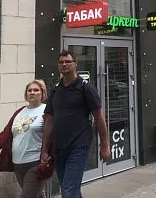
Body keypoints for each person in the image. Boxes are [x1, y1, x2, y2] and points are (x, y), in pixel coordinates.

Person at [41, 50, 111, 198]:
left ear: (75, 64)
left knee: (68, 191)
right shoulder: (55, 90)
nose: (64, 64)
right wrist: (45, 150)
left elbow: (99, 117)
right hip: (59, 147)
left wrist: (104, 145)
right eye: (61, 62)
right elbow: (49, 121)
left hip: (79, 145)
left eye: (68, 62)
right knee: (69, 189)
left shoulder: (86, 88)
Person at [0, 80, 49, 198]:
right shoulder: (19, 112)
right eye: (29, 90)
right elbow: (4, 136)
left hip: (36, 163)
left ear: (42, 93)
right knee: (38, 195)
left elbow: (54, 135)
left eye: (36, 90)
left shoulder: (47, 111)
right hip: (18, 164)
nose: (32, 92)